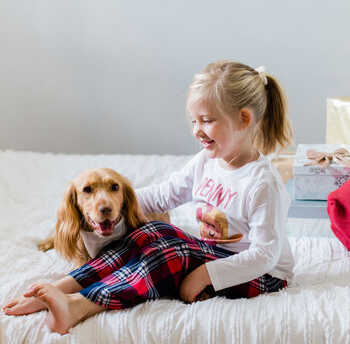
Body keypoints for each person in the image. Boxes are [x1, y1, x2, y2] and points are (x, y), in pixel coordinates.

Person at [3, 61, 294, 335]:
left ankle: (78, 306)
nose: (197, 131)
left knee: (167, 252)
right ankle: (65, 286)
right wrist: (114, 205)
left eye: (206, 121)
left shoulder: (262, 183)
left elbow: (265, 256)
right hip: (215, 256)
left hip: (261, 276)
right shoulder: (206, 161)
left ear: (243, 119)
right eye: (193, 121)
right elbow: (163, 195)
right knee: (152, 231)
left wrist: (206, 274)